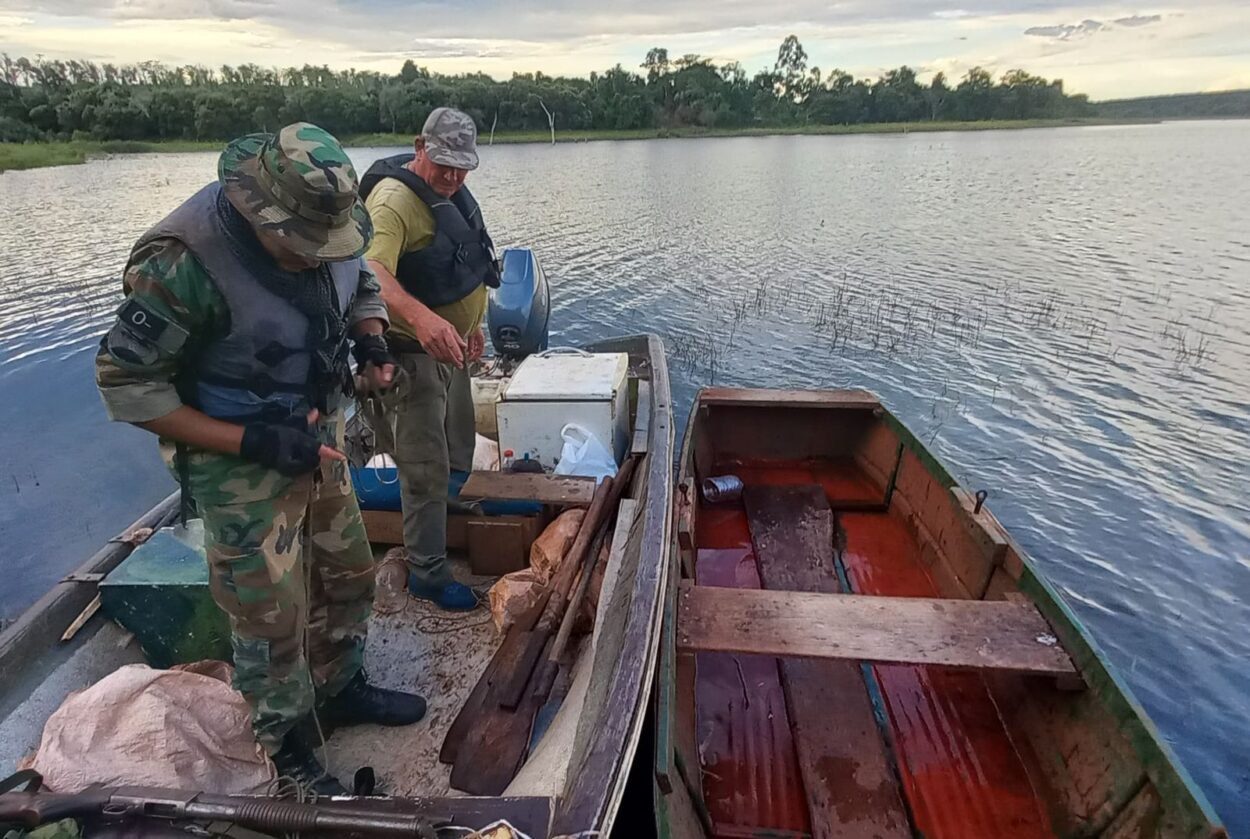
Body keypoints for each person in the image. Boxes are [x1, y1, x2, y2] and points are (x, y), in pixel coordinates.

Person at [95, 123, 425, 795]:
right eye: (301, 245)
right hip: (237, 454)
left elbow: (357, 278)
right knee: (270, 613)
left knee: (348, 572)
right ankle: (288, 748)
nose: (315, 254)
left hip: (317, 431)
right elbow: (126, 387)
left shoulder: (332, 219)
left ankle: (338, 684)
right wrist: (252, 440)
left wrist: (372, 343)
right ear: (260, 210)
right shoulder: (182, 261)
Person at [358, 107, 501, 611]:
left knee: (458, 443)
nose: (453, 176)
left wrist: (472, 325)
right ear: (420, 146)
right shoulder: (394, 201)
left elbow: (461, 262)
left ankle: (451, 510)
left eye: (463, 167)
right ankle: (428, 572)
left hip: (452, 347)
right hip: (411, 354)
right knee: (423, 465)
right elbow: (371, 269)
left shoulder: (450, 189)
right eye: (443, 164)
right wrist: (422, 321)